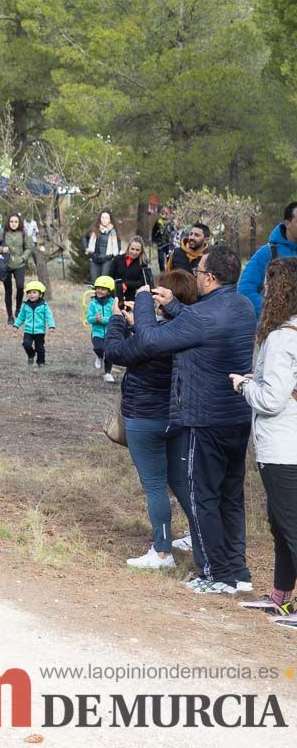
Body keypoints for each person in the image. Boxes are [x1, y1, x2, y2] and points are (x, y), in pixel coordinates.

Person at [120, 246, 256, 595]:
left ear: (210, 278)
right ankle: (237, 571)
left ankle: (214, 574)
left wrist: (146, 303)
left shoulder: (200, 317)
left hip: (204, 419)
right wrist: (175, 305)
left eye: (199, 271)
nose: (195, 275)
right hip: (237, 417)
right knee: (230, 496)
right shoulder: (242, 306)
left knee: (202, 497)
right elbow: (204, 325)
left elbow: (149, 340)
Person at [105, 270, 203, 570]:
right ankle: (202, 540)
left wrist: (118, 320)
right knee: (181, 483)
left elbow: (112, 351)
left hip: (144, 418)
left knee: (155, 486)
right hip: (176, 417)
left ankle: (162, 552)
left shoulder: (151, 338)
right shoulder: (190, 331)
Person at [231, 257, 297, 621]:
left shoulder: (280, 339)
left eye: (269, 285)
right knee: (281, 524)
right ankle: (282, 596)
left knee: (290, 526)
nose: (264, 291)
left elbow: (271, 401)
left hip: (283, 446)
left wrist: (245, 385)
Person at [238, 202, 297, 315]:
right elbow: (245, 289)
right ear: (287, 223)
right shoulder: (268, 253)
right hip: (276, 328)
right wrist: (272, 312)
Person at [0, 213, 34, 324]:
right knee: (8, 290)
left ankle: (18, 310)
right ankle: (10, 316)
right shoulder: (3, 232)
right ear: (8, 222)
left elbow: (28, 247)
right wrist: (1, 249)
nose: (14, 224)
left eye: (16, 222)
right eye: (12, 221)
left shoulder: (23, 232)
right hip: (6, 265)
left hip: (19, 264)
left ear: (19, 223)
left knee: (20, 286)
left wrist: (23, 258)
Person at [13, 280, 55, 367]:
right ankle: (31, 354)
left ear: (40, 294)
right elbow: (21, 316)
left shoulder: (44, 305)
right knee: (26, 344)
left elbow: (49, 316)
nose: (31, 294)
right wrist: (16, 325)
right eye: (29, 292)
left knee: (40, 348)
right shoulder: (25, 305)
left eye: (34, 292)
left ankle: (41, 362)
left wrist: (51, 326)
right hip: (28, 330)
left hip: (39, 331)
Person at [86, 276, 117, 382]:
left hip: (110, 333)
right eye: (98, 288)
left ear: (109, 291)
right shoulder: (93, 303)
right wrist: (95, 318)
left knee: (109, 353)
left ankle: (108, 373)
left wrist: (102, 319)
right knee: (98, 348)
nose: (99, 290)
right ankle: (99, 356)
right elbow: (89, 318)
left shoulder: (113, 303)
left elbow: (114, 318)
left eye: (103, 289)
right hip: (97, 332)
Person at [111, 236, 152, 304]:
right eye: (132, 249)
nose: (134, 252)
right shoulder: (117, 259)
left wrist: (127, 284)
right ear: (128, 248)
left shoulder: (143, 263)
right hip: (115, 294)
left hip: (132, 296)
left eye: (137, 250)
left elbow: (142, 282)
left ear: (141, 251)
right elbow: (110, 276)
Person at [85, 211, 120, 283]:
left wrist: (111, 256)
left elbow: (117, 246)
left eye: (106, 218)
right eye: (102, 217)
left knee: (104, 283)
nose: (104, 219)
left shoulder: (113, 232)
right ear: (100, 219)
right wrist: (89, 251)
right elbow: (85, 238)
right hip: (94, 259)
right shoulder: (94, 230)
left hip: (107, 259)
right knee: (94, 282)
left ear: (110, 220)